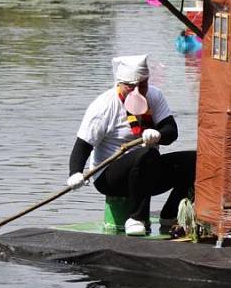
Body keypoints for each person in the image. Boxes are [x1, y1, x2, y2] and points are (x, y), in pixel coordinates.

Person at [67, 55, 196, 236]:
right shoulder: (104, 106)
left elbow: (171, 131)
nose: (137, 91)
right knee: (146, 155)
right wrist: (75, 172)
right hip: (110, 177)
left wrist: (158, 135)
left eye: (142, 85)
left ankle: (170, 214)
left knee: (196, 161)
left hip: (148, 171)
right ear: (120, 83)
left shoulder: (154, 96)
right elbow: (82, 146)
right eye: (130, 86)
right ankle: (137, 218)